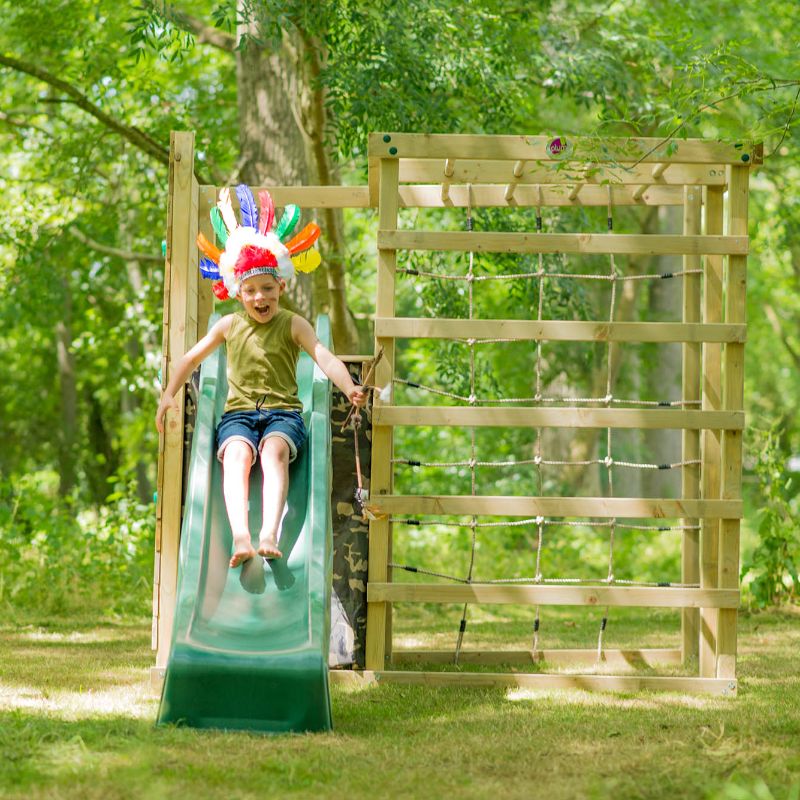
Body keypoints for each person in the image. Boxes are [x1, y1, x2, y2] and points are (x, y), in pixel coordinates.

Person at [155, 185, 366, 569]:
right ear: (238, 293)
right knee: (236, 455)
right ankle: (241, 536)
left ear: (281, 287)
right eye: (250, 290)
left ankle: (269, 532)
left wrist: (349, 385)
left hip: (284, 414)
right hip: (238, 415)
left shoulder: (292, 324)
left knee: (274, 453)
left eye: (267, 288)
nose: (259, 297)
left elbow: (323, 356)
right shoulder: (229, 327)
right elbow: (189, 358)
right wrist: (169, 394)